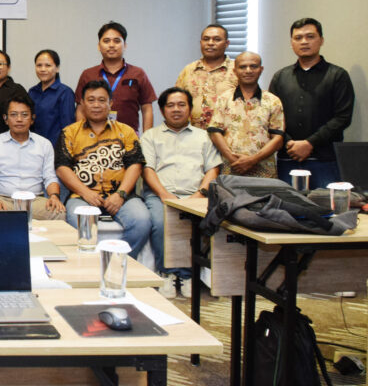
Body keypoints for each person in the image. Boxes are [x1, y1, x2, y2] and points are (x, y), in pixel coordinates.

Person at [57, 80, 153, 260]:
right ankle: (91, 266)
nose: (96, 105)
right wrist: (85, 192)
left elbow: (135, 165)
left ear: (111, 103)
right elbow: (62, 168)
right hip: (83, 196)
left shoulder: (126, 131)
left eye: (102, 100)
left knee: (142, 222)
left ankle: (116, 263)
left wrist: (121, 194)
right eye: (91, 100)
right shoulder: (69, 133)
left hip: (122, 196)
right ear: (82, 104)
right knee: (78, 223)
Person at [141, 87, 222, 295]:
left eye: (181, 105)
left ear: (190, 108)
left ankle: (187, 275)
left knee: (197, 222)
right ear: (162, 110)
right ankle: (166, 273)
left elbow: (213, 169)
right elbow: (148, 169)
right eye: (170, 105)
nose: (176, 109)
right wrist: (165, 195)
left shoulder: (204, 137)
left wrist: (200, 194)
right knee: (161, 222)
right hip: (160, 194)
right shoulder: (150, 136)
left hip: (195, 195)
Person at [269, 18, 355, 189]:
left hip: (324, 159)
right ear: (291, 43)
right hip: (288, 158)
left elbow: (343, 117)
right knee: (288, 204)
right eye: (298, 38)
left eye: (310, 36)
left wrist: (309, 143)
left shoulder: (337, 75)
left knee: (326, 204)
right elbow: (271, 116)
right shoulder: (281, 77)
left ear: (321, 40)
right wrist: (290, 143)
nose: (304, 42)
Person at [0, 94, 64, 219]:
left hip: (35, 200)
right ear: (5, 119)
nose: (19, 119)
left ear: (32, 119)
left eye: (24, 115)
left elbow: (50, 176)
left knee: (59, 213)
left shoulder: (44, 144)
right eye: (13, 115)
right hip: (4, 200)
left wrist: (54, 196)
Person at [208, 51, 285, 178]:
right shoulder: (224, 99)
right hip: (231, 170)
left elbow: (278, 139)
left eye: (253, 66)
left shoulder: (273, 101)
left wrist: (253, 160)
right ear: (235, 71)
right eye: (243, 67)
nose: (248, 71)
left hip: (264, 172)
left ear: (261, 70)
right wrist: (234, 160)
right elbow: (215, 133)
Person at [74, 21, 156, 132]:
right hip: (93, 137)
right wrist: (82, 135)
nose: (111, 45)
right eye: (106, 41)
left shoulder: (138, 73)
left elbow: (147, 109)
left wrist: (146, 138)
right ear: (99, 46)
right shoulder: (88, 74)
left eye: (117, 41)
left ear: (125, 45)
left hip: (129, 137)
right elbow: (80, 109)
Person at [174, 24, 236, 129]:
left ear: (226, 44)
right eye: (206, 39)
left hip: (225, 134)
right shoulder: (188, 70)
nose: (210, 43)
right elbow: (176, 102)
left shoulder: (237, 71)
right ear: (201, 43)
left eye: (217, 39)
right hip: (192, 134)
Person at [28, 49, 75, 144]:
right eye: (39, 65)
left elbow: (68, 127)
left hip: (55, 148)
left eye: (48, 65)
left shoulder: (65, 92)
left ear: (57, 68)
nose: (43, 69)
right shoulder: (32, 92)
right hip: (33, 146)